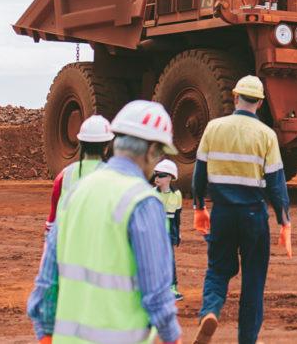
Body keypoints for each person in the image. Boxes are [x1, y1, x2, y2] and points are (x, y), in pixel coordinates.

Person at [27, 100, 182, 344]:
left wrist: (46, 335)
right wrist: (173, 338)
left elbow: (47, 282)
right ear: (152, 150)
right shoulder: (143, 201)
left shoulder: (75, 193)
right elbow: (157, 296)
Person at [190, 75, 291, 344]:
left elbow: (199, 174)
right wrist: (285, 222)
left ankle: (210, 311)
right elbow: (276, 183)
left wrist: (199, 207)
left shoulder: (213, 128)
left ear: (235, 98)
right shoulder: (267, 135)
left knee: (218, 270)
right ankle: (247, 339)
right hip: (253, 214)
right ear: (260, 102)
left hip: (222, 212)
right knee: (253, 282)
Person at [45, 115, 114, 232]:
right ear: (106, 147)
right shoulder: (115, 177)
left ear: (81, 144)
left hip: (68, 247)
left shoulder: (64, 176)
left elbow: (51, 224)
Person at [153, 159, 184, 301]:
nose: (157, 178)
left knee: (169, 260)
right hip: (155, 232)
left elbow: (177, 216)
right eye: (156, 175)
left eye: (160, 175)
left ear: (169, 178)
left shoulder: (177, 195)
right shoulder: (151, 193)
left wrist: (177, 234)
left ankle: (172, 289)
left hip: (169, 232)